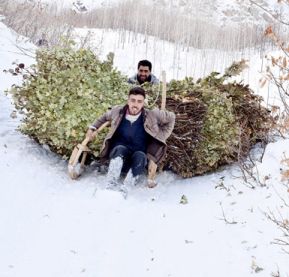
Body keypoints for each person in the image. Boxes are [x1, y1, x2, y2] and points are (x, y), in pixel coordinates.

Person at [86, 86, 175, 188]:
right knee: (120, 149)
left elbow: (172, 118)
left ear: (143, 103)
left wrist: (162, 136)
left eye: (139, 101)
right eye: (133, 100)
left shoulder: (151, 115)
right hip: (118, 157)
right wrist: (92, 128)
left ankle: (127, 186)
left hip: (137, 161)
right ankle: (110, 183)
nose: (135, 104)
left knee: (141, 155)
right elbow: (104, 118)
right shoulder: (118, 111)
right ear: (128, 100)